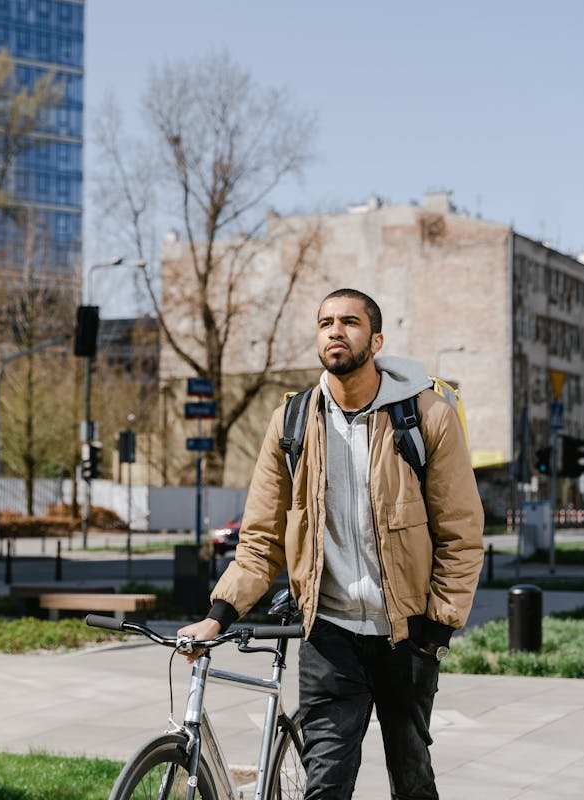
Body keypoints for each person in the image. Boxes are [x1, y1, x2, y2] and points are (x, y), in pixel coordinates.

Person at [178, 288, 484, 799]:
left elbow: (461, 531)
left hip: (405, 634)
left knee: (411, 780)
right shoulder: (293, 421)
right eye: (325, 323)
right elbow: (260, 537)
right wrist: (218, 614)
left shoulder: (425, 415)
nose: (335, 331)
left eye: (349, 322)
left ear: (376, 338)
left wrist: (437, 626)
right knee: (325, 786)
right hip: (329, 634)